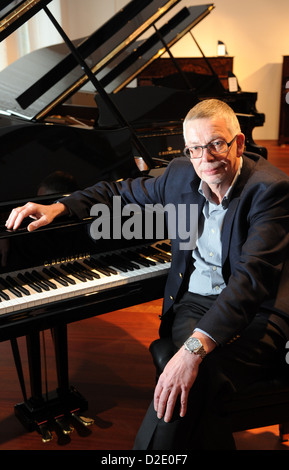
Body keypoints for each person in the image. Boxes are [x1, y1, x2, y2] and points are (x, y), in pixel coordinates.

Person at [6, 99, 289, 450]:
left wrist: (188, 353)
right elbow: (117, 192)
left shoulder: (270, 191)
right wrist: (61, 205)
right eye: (195, 148)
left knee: (192, 378)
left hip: (259, 312)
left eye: (217, 144)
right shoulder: (180, 174)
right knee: (190, 382)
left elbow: (250, 281)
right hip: (197, 303)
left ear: (239, 143)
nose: (207, 158)